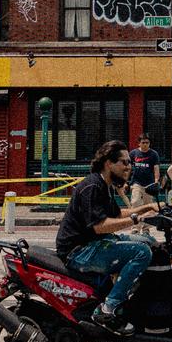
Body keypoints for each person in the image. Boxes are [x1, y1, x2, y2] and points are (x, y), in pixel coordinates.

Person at [55, 140, 159, 330]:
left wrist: (147, 209)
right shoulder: (93, 186)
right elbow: (101, 226)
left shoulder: (105, 185)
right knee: (141, 252)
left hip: (94, 243)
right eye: (124, 162)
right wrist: (136, 219)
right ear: (108, 163)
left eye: (130, 162)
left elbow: (117, 215)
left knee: (149, 241)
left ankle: (132, 296)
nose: (129, 167)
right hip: (79, 251)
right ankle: (108, 308)